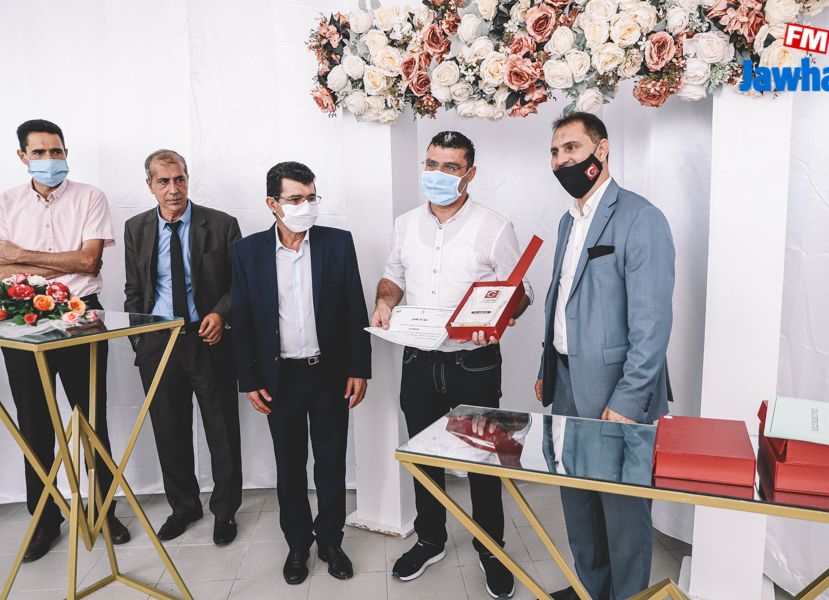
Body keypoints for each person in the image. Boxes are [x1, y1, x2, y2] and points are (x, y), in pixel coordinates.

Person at [372, 131, 532, 599]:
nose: (437, 174)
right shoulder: (405, 224)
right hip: (418, 361)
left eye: (450, 167)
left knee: (483, 458)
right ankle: (430, 539)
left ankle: (491, 548)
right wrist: (384, 302)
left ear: (470, 173)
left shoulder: (495, 227)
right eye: (431, 164)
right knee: (425, 457)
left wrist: (499, 317)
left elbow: (521, 291)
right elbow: (393, 276)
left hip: (474, 364)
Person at [535, 112, 675, 600]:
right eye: (555, 152)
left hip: (617, 393)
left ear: (602, 148)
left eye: (571, 148)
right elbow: (562, 300)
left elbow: (652, 326)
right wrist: (547, 367)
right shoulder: (567, 221)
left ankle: (627, 596)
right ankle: (591, 589)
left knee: (622, 511)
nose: (562, 160)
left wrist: (629, 400)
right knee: (578, 501)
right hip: (567, 383)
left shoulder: (641, 217)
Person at [231, 161, 371, 586]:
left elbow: (355, 308)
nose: (306, 206)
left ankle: (331, 542)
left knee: (330, 463)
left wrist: (359, 368)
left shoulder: (337, 243)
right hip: (281, 379)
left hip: (328, 373)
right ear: (272, 203)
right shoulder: (247, 251)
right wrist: (249, 379)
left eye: (311, 198)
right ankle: (297, 545)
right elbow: (242, 319)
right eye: (295, 199)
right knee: (289, 466)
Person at [0, 119, 130, 561]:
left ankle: (103, 512)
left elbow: (90, 262)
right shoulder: (6, 203)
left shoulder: (90, 197)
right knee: (34, 422)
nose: (50, 159)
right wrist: (59, 264)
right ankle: (44, 520)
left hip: (82, 314)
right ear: (22, 156)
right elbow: (1, 269)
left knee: (91, 418)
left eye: (56, 151)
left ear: (66, 153)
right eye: (39, 152)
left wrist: (20, 257)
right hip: (21, 319)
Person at [123, 149, 243, 545]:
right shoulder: (136, 228)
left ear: (187, 179)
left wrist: (220, 315)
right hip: (158, 343)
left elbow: (239, 284)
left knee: (221, 430)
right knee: (168, 429)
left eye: (179, 179)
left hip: (207, 339)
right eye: (164, 181)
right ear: (150, 185)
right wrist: (139, 339)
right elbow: (134, 288)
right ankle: (184, 507)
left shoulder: (221, 225)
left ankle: (225, 511)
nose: (173, 189)